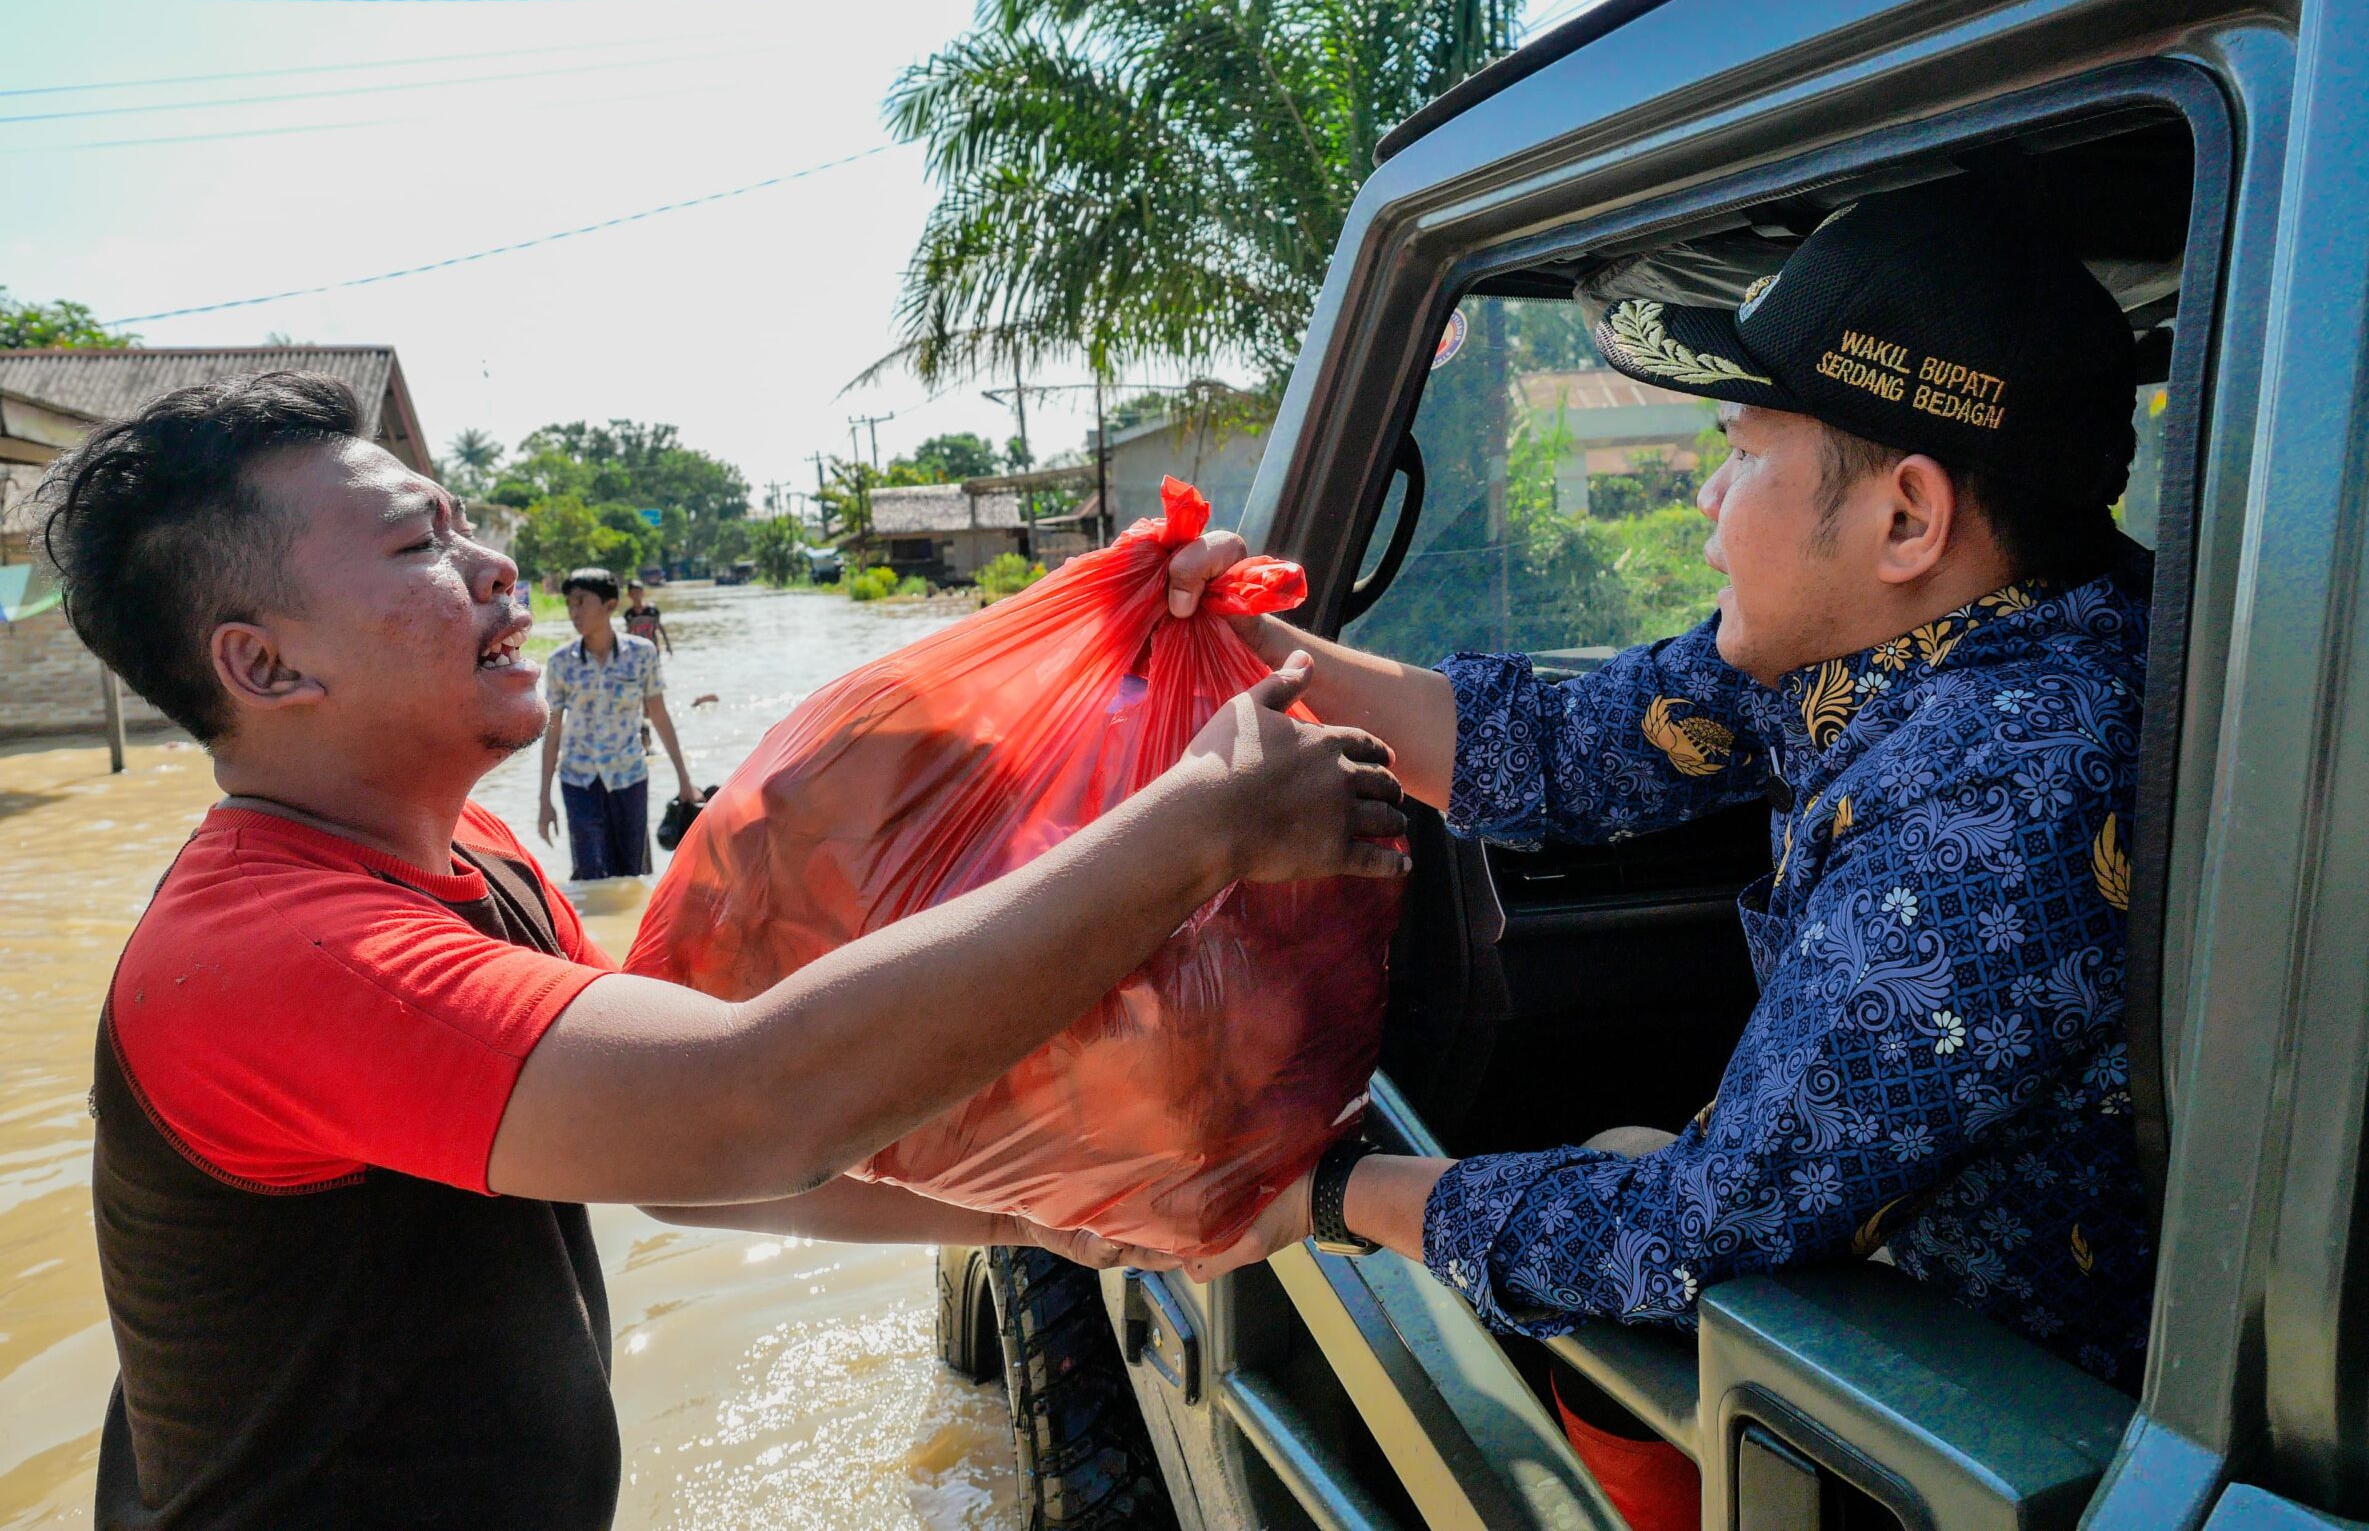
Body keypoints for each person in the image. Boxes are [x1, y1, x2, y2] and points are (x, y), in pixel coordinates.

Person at [39, 371, 1407, 1529]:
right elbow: (750, 1105)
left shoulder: (483, 864)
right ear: (266, 669)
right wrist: (1201, 829)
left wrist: (1052, 1218)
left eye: (460, 526)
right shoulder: (276, 958)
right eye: (415, 550)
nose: (497, 567)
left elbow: (692, 1180)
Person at [1172, 186, 2153, 1446]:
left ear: (1904, 514)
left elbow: (1700, 1227)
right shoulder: (1919, 631)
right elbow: (1568, 748)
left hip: (1989, 1408)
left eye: (1744, 451)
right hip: (1913, 1289)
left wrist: (1324, 1192)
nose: (1704, 497)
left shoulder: (2004, 782)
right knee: (1618, 1150)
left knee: (1605, 1247)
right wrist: (1243, 639)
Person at [537, 567, 694, 880]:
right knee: (589, 871)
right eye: (569, 604)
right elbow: (553, 730)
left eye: (581, 602)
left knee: (631, 873)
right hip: (578, 781)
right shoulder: (560, 662)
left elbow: (659, 716)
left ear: (609, 606)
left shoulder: (641, 654)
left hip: (629, 777)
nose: (574, 611)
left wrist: (684, 781)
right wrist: (544, 800)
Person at [622, 578, 672, 654]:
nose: (636, 595)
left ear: (642, 593)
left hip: (653, 648)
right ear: (629, 595)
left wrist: (668, 645)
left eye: (638, 592)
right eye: (633, 593)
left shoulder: (652, 610)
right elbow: (628, 632)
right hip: (637, 649)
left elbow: (660, 627)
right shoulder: (629, 614)